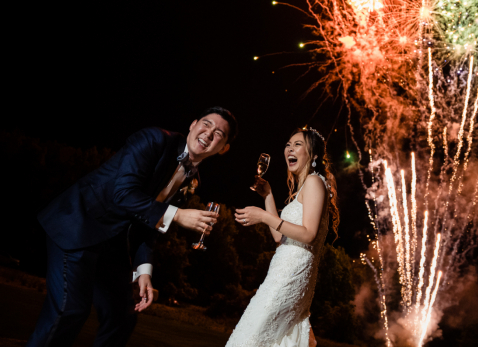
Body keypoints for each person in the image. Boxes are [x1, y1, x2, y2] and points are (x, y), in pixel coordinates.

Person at [27, 106, 237, 347]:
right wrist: (178, 215)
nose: (209, 133)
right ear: (193, 125)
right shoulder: (154, 139)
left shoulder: (193, 179)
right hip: (79, 225)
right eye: (206, 124)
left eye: (219, 133)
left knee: (123, 315)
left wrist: (143, 270)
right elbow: (123, 194)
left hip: (111, 244)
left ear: (224, 148)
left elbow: (149, 223)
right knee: (70, 310)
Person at [227, 127, 339, 347]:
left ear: (314, 154)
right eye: (288, 144)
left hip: (292, 275)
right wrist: (268, 195)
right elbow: (279, 237)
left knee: (252, 335)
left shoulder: (315, 182)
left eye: (298, 144)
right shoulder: (304, 188)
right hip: (281, 272)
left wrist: (262, 216)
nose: (290, 148)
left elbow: (308, 234)